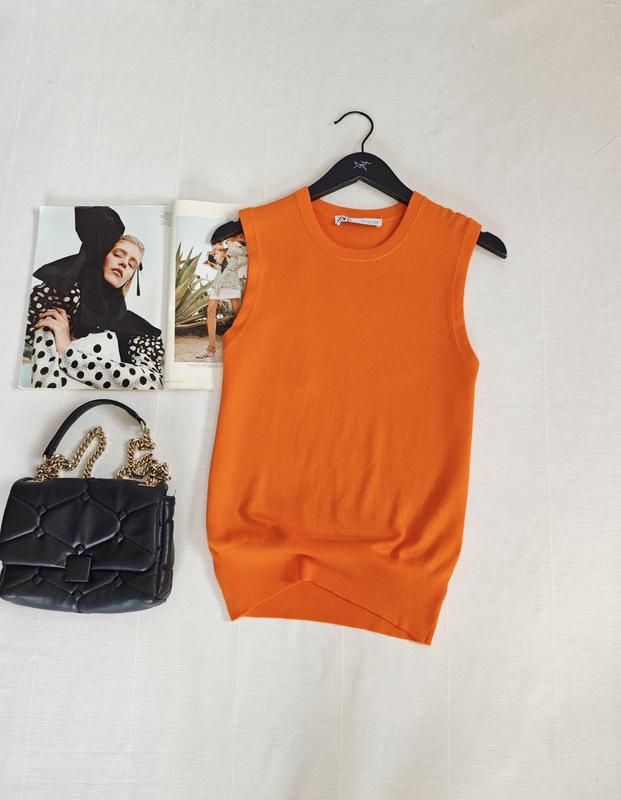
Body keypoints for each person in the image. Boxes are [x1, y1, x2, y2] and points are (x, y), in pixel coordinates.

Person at [24, 206, 165, 389]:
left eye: (132, 265)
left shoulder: (138, 329)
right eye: (118, 255)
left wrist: (68, 353)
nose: (124, 263)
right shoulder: (60, 298)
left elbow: (151, 382)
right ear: (102, 256)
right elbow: (44, 379)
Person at [195, 234, 246, 359]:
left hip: (231, 283)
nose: (240, 237)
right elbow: (219, 265)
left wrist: (223, 249)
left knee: (238, 315)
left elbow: (238, 255)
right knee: (210, 311)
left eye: (241, 236)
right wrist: (213, 255)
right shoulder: (223, 250)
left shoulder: (240, 248)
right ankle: (211, 348)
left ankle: (243, 345)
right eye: (238, 236)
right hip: (218, 283)